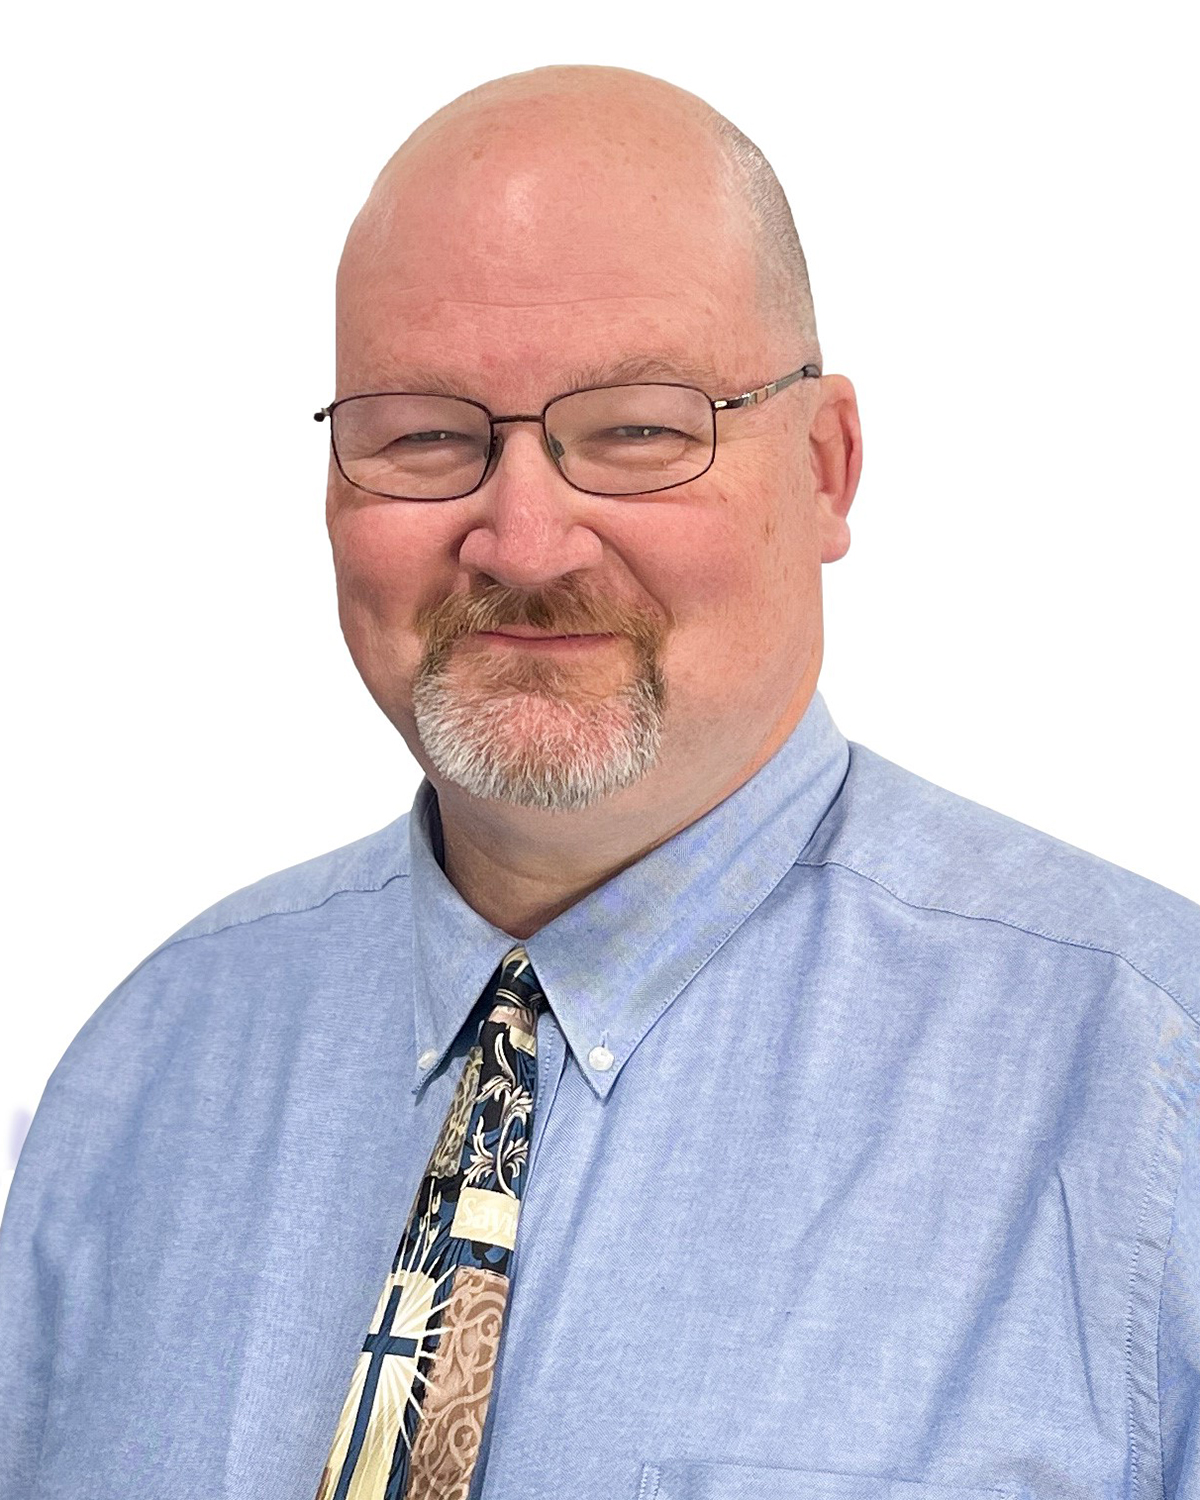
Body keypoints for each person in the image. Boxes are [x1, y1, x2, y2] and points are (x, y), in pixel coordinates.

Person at [1, 62, 1197, 1500]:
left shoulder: (1150, 1090)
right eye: (424, 434)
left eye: (638, 429)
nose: (523, 541)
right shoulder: (137, 1080)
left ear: (826, 468)